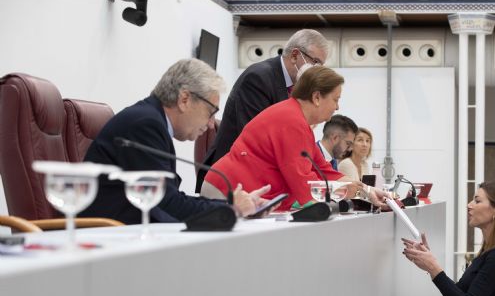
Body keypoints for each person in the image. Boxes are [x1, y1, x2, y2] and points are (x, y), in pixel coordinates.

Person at [82, 58, 268, 224]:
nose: (211, 124)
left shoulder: (151, 120)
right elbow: (168, 203)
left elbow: (170, 199)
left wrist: (230, 205)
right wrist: (231, 208)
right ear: (184, 99)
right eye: (211, 113)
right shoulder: (145, 124)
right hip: (105, 233)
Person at [201, 66, 388, 210]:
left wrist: (368, 191)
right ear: (316, 97)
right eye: (335, 99)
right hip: (229, 190)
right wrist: (351, 192)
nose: (337, 107)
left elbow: (324, 170)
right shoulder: (292, 121)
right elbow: (305, 186)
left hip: (244, 193)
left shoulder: (298, 120)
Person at [195, 29, 330, 192]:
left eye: (320, 65)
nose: (316, 70)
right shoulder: (259, 78)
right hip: (231, 180)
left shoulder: (294, 88)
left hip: (258, 178)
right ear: (295, 55)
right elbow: (259, 139)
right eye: (315, 62)